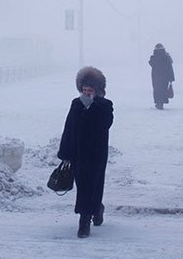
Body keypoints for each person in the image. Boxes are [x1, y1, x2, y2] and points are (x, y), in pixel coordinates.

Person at [58, 66, 113, 239]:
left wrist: (93, 107)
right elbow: (69, 128)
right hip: (78, 154)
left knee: (94, 184)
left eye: (90, 90)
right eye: (84, 90)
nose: (87, 93)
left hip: (97, 153)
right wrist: (65, 152)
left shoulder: (105, 105)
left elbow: (105, 124)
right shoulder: (76, 103)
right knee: (83, 186)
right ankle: (91, 213)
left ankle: (86, 219)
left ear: (98, 91)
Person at [148, 43, 175, 110]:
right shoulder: (166, 57)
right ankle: (161, 103)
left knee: (157, 90)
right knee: (163, 90)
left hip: (156, 77)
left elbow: (151, 63)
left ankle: (158, 103)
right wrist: (171, 78)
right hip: (165, 77)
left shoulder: (154, 57)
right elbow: (170, 68)